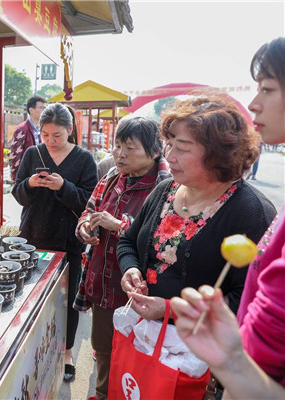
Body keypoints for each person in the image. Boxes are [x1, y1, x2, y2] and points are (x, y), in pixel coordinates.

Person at [171, 36, 285, 398]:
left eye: (267, 89)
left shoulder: (251, 210)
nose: (254, 103)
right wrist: (231, 359)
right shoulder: (166, 191)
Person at [117, 95, 276, 322]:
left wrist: (171, 310)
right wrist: (130, 269)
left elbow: (249, 298)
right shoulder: (165, 190)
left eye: (181, 148)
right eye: (168, 145)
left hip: (204, 348)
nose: (169, 156)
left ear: (218, 153)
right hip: (147, 336)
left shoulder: (251, 213)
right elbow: (127, 242)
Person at [74, 117, 170, 400]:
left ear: (154, 151)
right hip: (104, 284)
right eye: (117, 146)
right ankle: (103, 394)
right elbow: (88, 211)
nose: (120, 154)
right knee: (104, 350)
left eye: (130, 147)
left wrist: (117, 225)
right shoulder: (111, 177)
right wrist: (84, 229)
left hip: (137, 292)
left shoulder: (165, 187)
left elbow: (160, 241)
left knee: (136, 358)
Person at [12, 103, 97, 382]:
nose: (50, 141)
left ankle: (67, 352)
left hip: (68, 240)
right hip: (32, 236)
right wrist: (31, 185)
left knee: (68, 299)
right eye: (45, 134)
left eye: (57, 135)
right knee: (29, 296)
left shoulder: (84, 160)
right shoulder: (32, 153)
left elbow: (88, 202)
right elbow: (18, 192)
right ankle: (29, 347)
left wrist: (64, 187)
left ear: (70, 130)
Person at [8, 95, 47, 181]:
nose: (44, 110)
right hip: (26, 177)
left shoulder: (43, 129)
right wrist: (16, 179)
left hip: (40, 175)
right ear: (31, 110)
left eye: (45, 108)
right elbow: (14, 157)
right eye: (41, 108)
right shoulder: (21, 130)